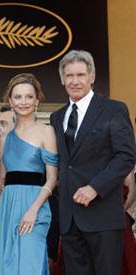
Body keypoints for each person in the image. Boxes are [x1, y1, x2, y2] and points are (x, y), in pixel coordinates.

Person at [50, 49, 136, 275]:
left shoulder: (113, 110)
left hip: (103, 216)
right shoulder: (57, 117)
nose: (75, 81)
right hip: (69, 219)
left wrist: (95, 188)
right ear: (62, 79)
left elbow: (126, 156)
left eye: (80, 75)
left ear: (92, 77)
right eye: (69, 76)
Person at [0, 73, 59, 274]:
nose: (23, 102)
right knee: (9, 266)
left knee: (30, 265)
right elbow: (2, 184)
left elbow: (52, 179)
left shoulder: (46, 131)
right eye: (18, 97)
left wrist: (33, 211)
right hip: (8, 209)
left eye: (29, 96)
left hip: (35, 207)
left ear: (37, 100)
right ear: (10, 101)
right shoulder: (5, 139)